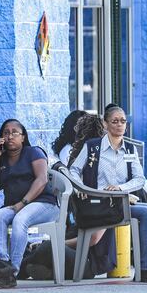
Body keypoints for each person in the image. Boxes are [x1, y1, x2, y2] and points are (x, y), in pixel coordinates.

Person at [70, 104, 147, 284]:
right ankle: (146, 268)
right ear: (105, 125)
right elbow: (73, 170)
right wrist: (80, 188)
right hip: (99, 204)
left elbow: (139, 179)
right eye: (114, 121)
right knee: (146, 213)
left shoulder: (129, 149)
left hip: (121, 201)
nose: (120, 125)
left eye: (123, 121)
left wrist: (120, 188)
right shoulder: (92, 147)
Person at [20, 113, 113, 281]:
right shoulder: (82, 179)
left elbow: (93, 238)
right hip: (74, 251)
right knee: (38, 254)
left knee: (47, 248)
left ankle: (17, 270)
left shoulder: (104, 185)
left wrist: (58, 244)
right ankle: (34, 268)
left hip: (89, 261)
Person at [0, 119, 59, 288]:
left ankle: (12, 271)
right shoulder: (2, 160)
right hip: (15, 206)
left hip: (44, 205)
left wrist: (22, 203)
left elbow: (42, 179)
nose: (10, 136)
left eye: (15, 132)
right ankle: (2, 262)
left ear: (23, 137)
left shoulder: (33, 152)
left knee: (20, 220)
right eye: (6, 133)